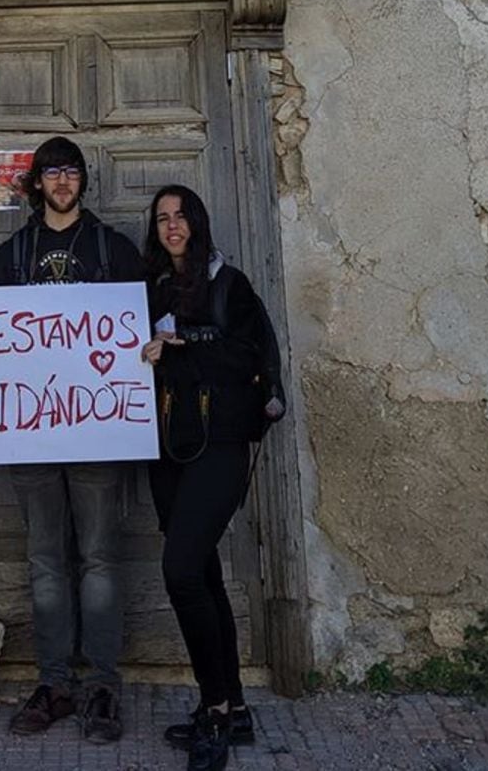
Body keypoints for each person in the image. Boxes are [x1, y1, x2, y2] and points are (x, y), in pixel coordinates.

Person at [0, 135, 145, 744]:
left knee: (99, 560)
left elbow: (152, 314)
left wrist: (159, 341)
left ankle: (103, 686)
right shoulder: (15, 253)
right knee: (46, 562)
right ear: (37, 184)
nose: (62, 182)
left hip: (98, 435)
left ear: (82, 181)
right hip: (33, 438)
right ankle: (55, 684)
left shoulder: (113, 248)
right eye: (52, 173)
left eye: (71, 172)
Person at [140, 184, 284, 771]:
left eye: (181, 216)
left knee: (179, 570)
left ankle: (216, 710)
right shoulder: (149, 289)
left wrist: (182, 346)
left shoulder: (230, 285)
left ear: (197, 223)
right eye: (162, 218)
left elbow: (248, 357)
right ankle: (235, 706)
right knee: (202, 573)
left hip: (220, 446)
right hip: (167, 448)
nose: (172, 226)